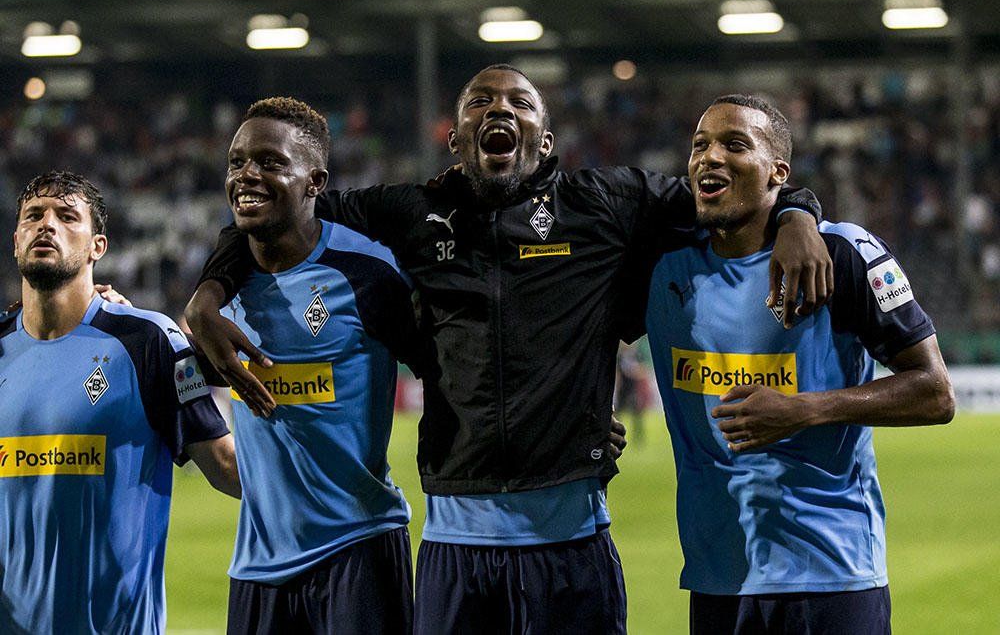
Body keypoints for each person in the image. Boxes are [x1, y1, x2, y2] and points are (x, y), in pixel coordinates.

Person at [187, 65, 832, 634]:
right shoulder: (414, 212)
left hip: (570, 539)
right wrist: (208, 295)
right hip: (454, 544)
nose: (499, 108)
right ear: (456, 139)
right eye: (479, 101)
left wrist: (797, 213)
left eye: (520, 102)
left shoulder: (605, 203)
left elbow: (725, 195)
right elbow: (281, 210)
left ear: (545, 142)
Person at [644, 94, 954, 634]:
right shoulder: (660, 263)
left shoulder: (842, 253)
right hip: (719, 578)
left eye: (735, 144)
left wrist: (804, 410)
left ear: (777, 172)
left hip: (832, 573)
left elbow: (935, 392)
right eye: (699, 145)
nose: (710, 157)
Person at [217, 97, 423, 633]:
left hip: (358, 549)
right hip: (257, 565)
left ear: (315, 182)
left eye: (271, 162)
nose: (247, 175)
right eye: (237, 162)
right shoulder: (221, 287)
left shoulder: (368, 274)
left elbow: (453, 373)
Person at [0, 171, 239, 634]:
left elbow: (227, 468)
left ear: (98, 247)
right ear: (15, 241)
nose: (46, 224)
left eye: (67, 216)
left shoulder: (148, 341)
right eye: (33, 215)